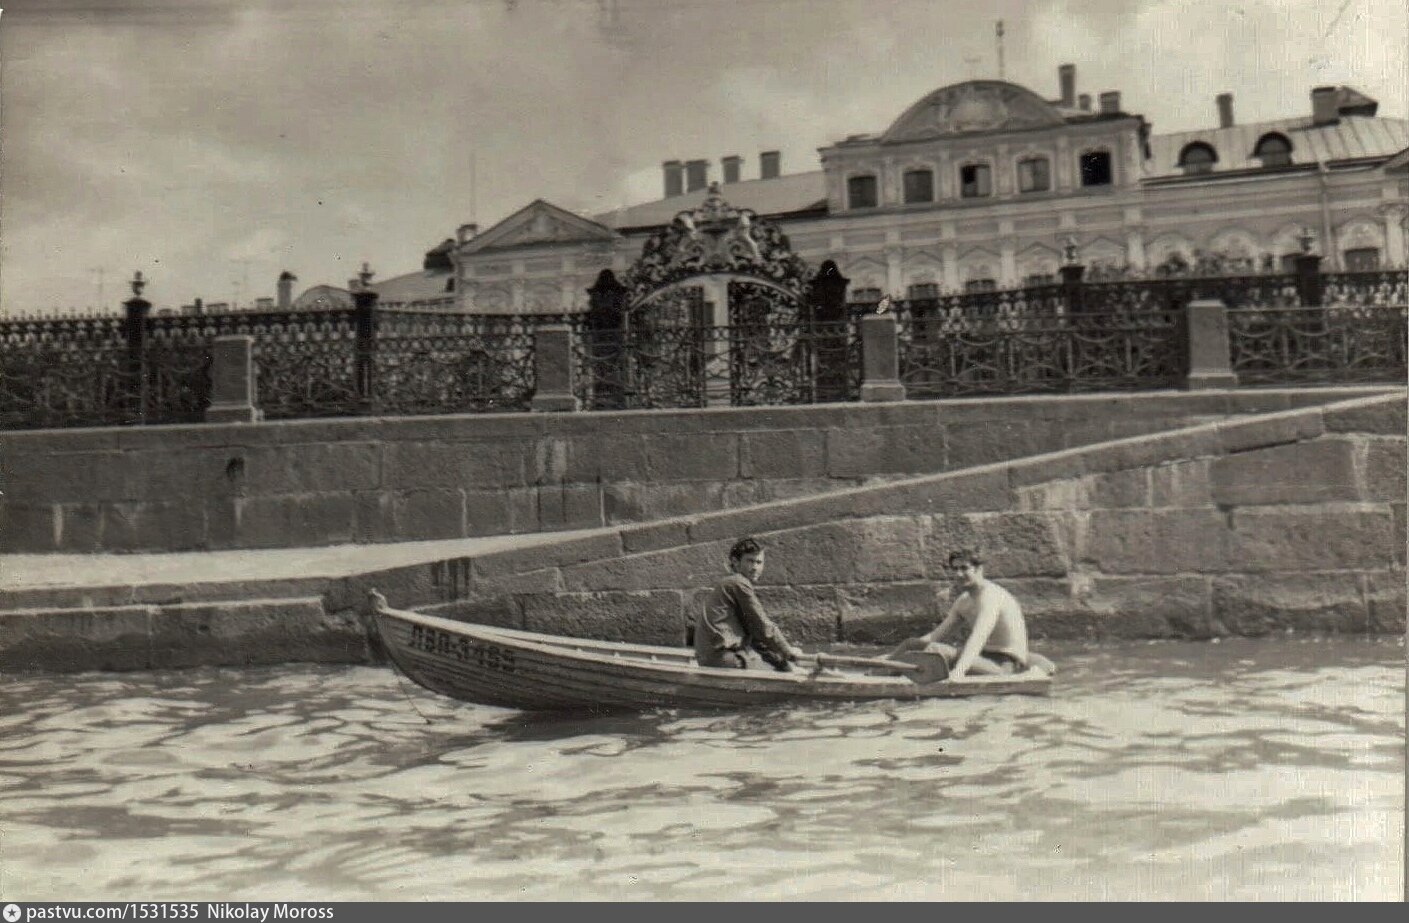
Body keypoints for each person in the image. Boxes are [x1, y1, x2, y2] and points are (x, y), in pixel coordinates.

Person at [889, 548, 1049, 679]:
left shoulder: (991, 597)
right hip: (983, 657)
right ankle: (882, 668)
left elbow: (978, 638)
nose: (959, 574)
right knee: (912, 643)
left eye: (964, 568)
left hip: (1006, 665)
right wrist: (899, 653)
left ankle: (891, 675)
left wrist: (959, 671)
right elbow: (935, 636)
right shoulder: (964, 601)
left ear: (979, 569)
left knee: (938, 650)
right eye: (955, 569)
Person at [694, 537, 805, 672]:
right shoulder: (738, 582)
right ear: (735, 562)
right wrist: (788, 651)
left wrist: (783, 663)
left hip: (711, 658)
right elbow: (763, 626)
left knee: (782, 667)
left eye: (759, 562)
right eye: (750, 561)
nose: (755, 568)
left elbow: (755, 636)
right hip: (723, 658)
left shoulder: (730, 583)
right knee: (777, 671)